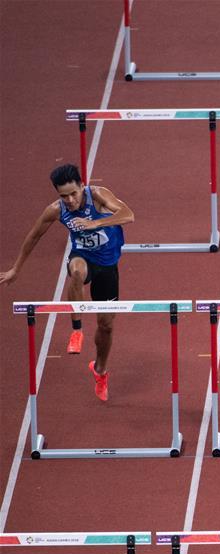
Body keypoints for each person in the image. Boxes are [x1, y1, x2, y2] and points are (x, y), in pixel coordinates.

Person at [0, 164, 133, 402]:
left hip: (108, 266)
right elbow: (34, 235)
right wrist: (16, 269)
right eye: (64, 196)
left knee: (106, 326)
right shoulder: (56, 210)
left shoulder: (98, 196)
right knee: (77, 272)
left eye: (73, 193)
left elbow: (128, 215)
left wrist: (95, 223)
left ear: (82, 186)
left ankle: (100, 370)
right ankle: (76, 330)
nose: (70, 200)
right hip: (82, 256)